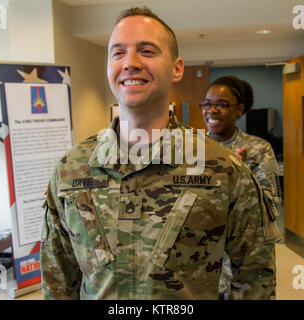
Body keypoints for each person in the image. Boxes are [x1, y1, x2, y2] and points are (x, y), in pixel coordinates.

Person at [40, 7, 281, 300]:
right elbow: (58, 279)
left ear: (177, 68)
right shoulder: (71, 169)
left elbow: (255, 277)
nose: (130, 62)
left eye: (147, 51)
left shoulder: (222, 168)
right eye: (118, 53)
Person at [200, 75, 282, 298]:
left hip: (249, 261)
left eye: (222, 104)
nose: (212, 110)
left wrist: (243, 177)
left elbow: (271, 207)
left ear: (239, 109)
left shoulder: (258, 149)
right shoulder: (193, 151)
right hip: (204, 260)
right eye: (207, 103)